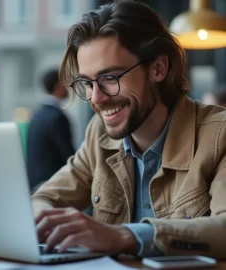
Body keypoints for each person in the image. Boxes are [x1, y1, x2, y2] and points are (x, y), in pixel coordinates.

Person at [32, 0, 226, 259]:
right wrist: (43, 219)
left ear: (158, 68)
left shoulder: (219, 135)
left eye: (110, 78)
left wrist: (124, 236)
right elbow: (43, 200)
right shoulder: (98, 135)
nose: (96, 99)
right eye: (87, 83)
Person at [27, 68, 75, 191]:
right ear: (59, 85)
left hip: (36, 186)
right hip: (54, 186)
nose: (68, 87)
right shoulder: (57, 117)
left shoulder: (36, 115)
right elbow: (69, 157)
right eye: (65, 83)